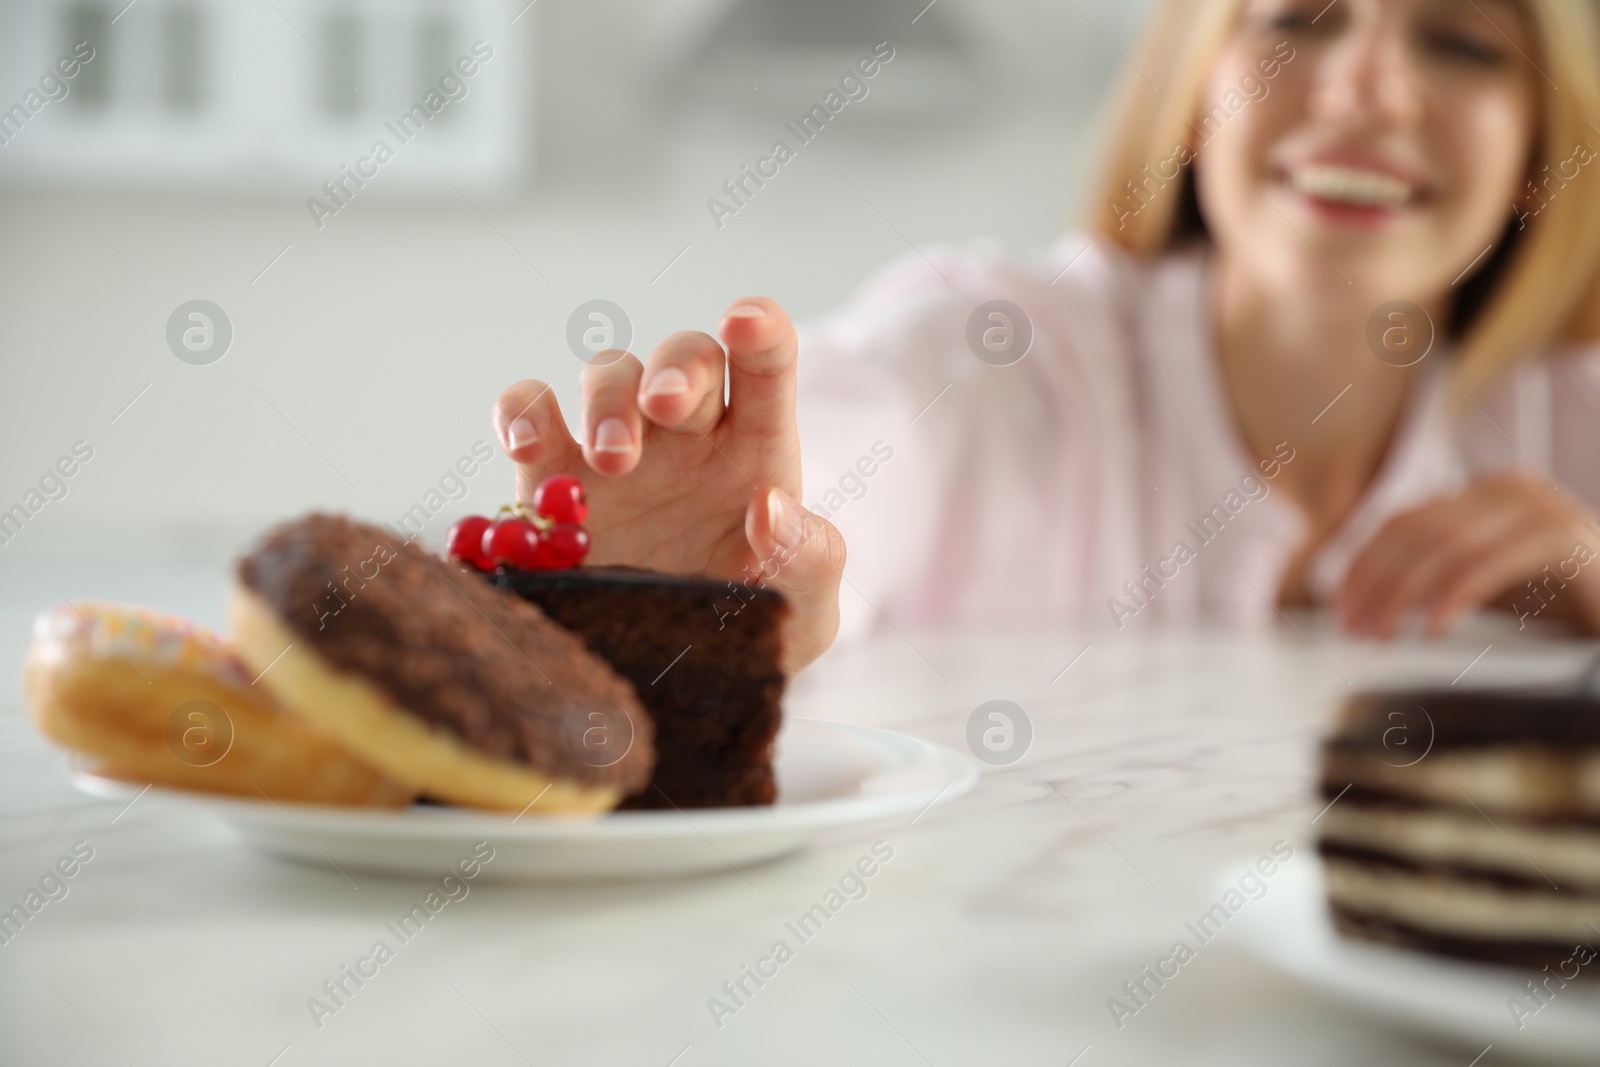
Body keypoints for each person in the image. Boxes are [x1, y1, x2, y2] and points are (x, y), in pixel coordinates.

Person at [494, 0, 1600, 676]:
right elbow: (863, 429)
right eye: (1295, 18)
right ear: (1191, 87)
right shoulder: (996, 354)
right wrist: (743, 536)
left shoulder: (1568, 409)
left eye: (1462, 40)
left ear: (1545, 136)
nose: (1368, 90)